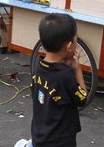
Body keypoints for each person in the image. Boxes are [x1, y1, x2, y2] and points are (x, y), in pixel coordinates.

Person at [31, 13, 87, 147]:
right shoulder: (65, 75)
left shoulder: (38, 66)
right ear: (68, 46)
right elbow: (82, 98)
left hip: (39, 136)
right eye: (75, 40)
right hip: (60, 140)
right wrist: (77, 69)